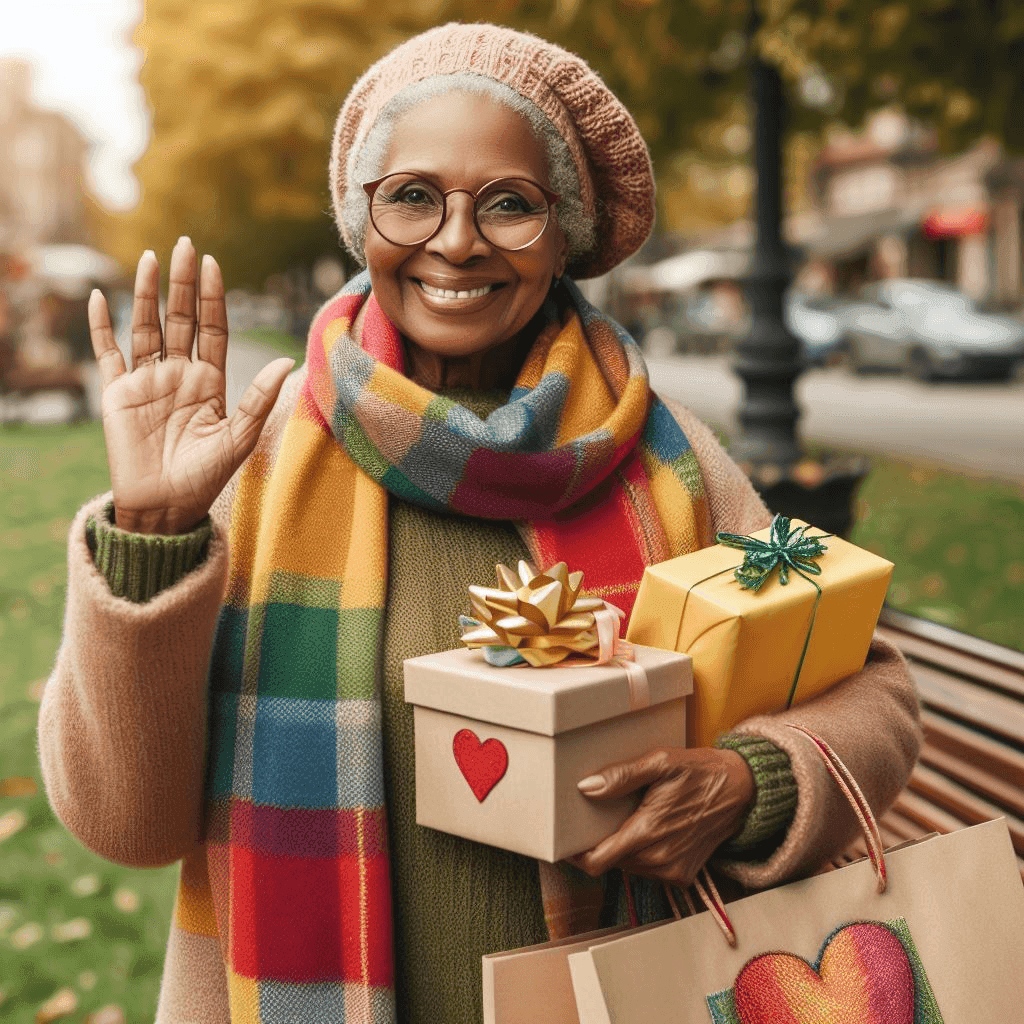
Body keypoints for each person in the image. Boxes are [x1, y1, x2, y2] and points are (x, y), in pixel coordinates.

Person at [37, 22, 921, 1024]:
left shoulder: (664, 463)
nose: (455, 241)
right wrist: (151, 535)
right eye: (412, 196)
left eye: (508, 204)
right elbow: (127, 825)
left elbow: (875, 691)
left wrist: (748, 782)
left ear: (566, 234)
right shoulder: (252, 467)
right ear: (360, 216)